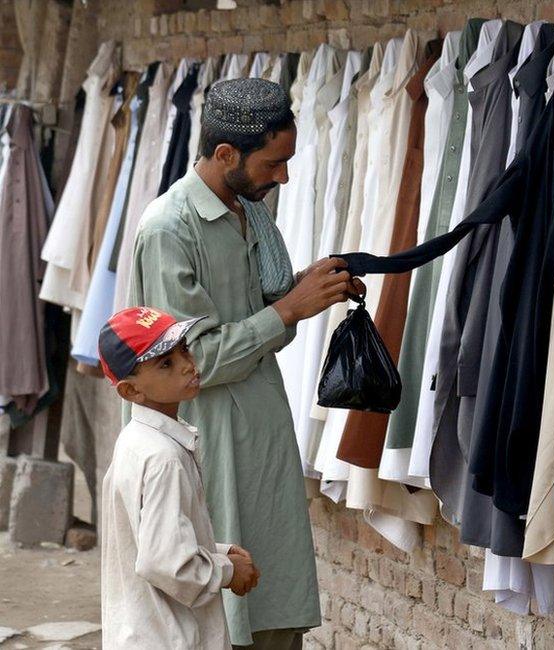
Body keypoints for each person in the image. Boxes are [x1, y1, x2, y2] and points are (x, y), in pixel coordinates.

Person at [128, 77, 364, 649]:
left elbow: (260, 319)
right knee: (223, 615)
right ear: (227, 154)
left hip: (262, 427)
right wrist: (286, 310)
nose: (282, 176)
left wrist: (307, 292)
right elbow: (194, 361)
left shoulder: (248, 209)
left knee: (274, 613)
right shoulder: (169, 229)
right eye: (273, 163)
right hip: (210, 440)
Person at [99, 306, 261, 650]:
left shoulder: (135, 442)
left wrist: (217, 551)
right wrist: (228, 571)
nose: (187, 364)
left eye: (183, 349)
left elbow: (154, 541)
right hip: (170, 638)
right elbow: (166, 563)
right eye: (165, 363)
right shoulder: (163, 458)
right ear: (131, 392)